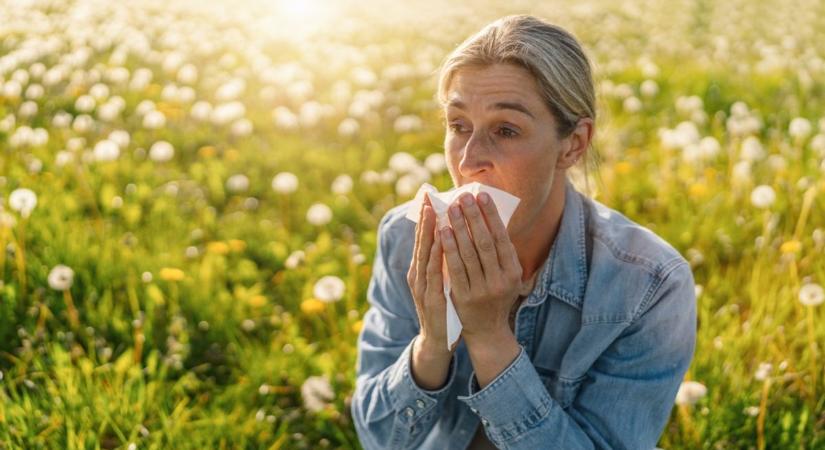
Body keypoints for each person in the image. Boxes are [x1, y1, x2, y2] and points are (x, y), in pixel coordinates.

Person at [351, 14, 696, 450]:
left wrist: (490, 335)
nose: (469, 160)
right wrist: (432, 343)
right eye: (458, 126)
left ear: (573, 144)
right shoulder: (408, 237)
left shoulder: (649, 285)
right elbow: (379, 438)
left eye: (506, 130)